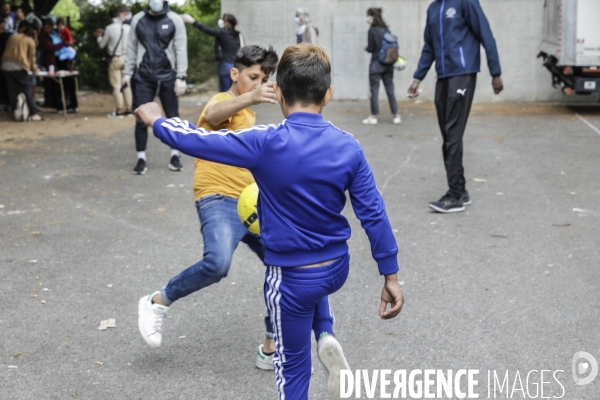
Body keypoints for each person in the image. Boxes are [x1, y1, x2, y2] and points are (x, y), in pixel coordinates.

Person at [135, 43, 405, 400]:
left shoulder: (265, 142)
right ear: (328, 95)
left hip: (291, 280)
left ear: (277, 92)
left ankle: (312, 343)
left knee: (291, 368)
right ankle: (324, 333)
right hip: (336, 269)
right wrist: (391, 275)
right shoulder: (349, 146)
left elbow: (197, 140)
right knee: (314, 293)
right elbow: (373, 213)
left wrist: (156, 119)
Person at [139, 45, 308, 373]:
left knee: (286, 263)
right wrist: (251, 96)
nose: (258, 84)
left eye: (263, 79)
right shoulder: (223, 101)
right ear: (235, 74)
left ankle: (272, 343)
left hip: (252, 203)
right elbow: (214, 117)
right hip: (217, 194)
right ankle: (157, 301)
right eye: (252, 77)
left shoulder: (250, 115)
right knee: (217, 263)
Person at [408, 0, 503, 213]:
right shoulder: (433, 8)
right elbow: (429, 47)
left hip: (462, 73)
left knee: (452, 134)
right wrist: (417, 78)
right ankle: (461, 190)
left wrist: (495, 72)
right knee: (448, 135)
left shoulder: (465, 2)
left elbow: (486, 34)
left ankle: (456, 194)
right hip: (443, 76)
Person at [124, 0, 187, 175]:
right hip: (143, 76)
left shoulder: (175, 19)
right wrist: (127, 73)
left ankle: (175, 156)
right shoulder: (138, 19)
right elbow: (131, 47)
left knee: (173, 118)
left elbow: (181, 48)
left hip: (168, 75)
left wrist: (181, 76)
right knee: (140, 118)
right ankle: (141, 158)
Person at [181, 12, 243, 92]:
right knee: (236, 90)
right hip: (236, 66)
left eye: (223, 20)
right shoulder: (238, 35)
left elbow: (207, 30)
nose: (221, 21)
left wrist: (192, 21)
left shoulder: (222, 33)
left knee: (226, 92)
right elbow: (242, 49)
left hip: (226, 65)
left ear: (227, 23)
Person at [363, 8, 400, 126]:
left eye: (368, 16)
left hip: (376, 64)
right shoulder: (386, 30)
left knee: (374, 90)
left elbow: (371, 48)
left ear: (372, 16)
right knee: (390, 90)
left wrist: (366, 47)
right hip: (388, 65)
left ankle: (373, 116)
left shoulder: (372, 30)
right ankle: (396, 115)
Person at [94, 6, 132, 118]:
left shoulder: (110, 28)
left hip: (115, 59)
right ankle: (129, 108)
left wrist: (99, 37)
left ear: (110, 17)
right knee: (126, 84)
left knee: (116, 85)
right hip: (127, 58)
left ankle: (119, 110)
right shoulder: (127, 27)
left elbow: (102, 45)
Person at [1, 20, 42, 121]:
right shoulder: (30, 41)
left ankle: (15, 112)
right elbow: (32, 60)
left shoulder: (12, 37)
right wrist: (37, 71)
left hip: (5, 66)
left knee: (11, 90)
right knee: (26, 89)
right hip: (19, 66)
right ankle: (33, 113)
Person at [38, 19, 78, 113]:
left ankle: (72, 105)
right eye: (46, 28)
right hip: (55, 61)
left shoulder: (57, 32)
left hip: (65, 59)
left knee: (69, 82)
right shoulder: (43, 37)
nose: (47, 29)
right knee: (58, 85)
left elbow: (68, 38)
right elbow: (50, 47)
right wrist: (63, 43)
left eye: (49, 27)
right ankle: (60, 105)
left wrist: (69, 42)